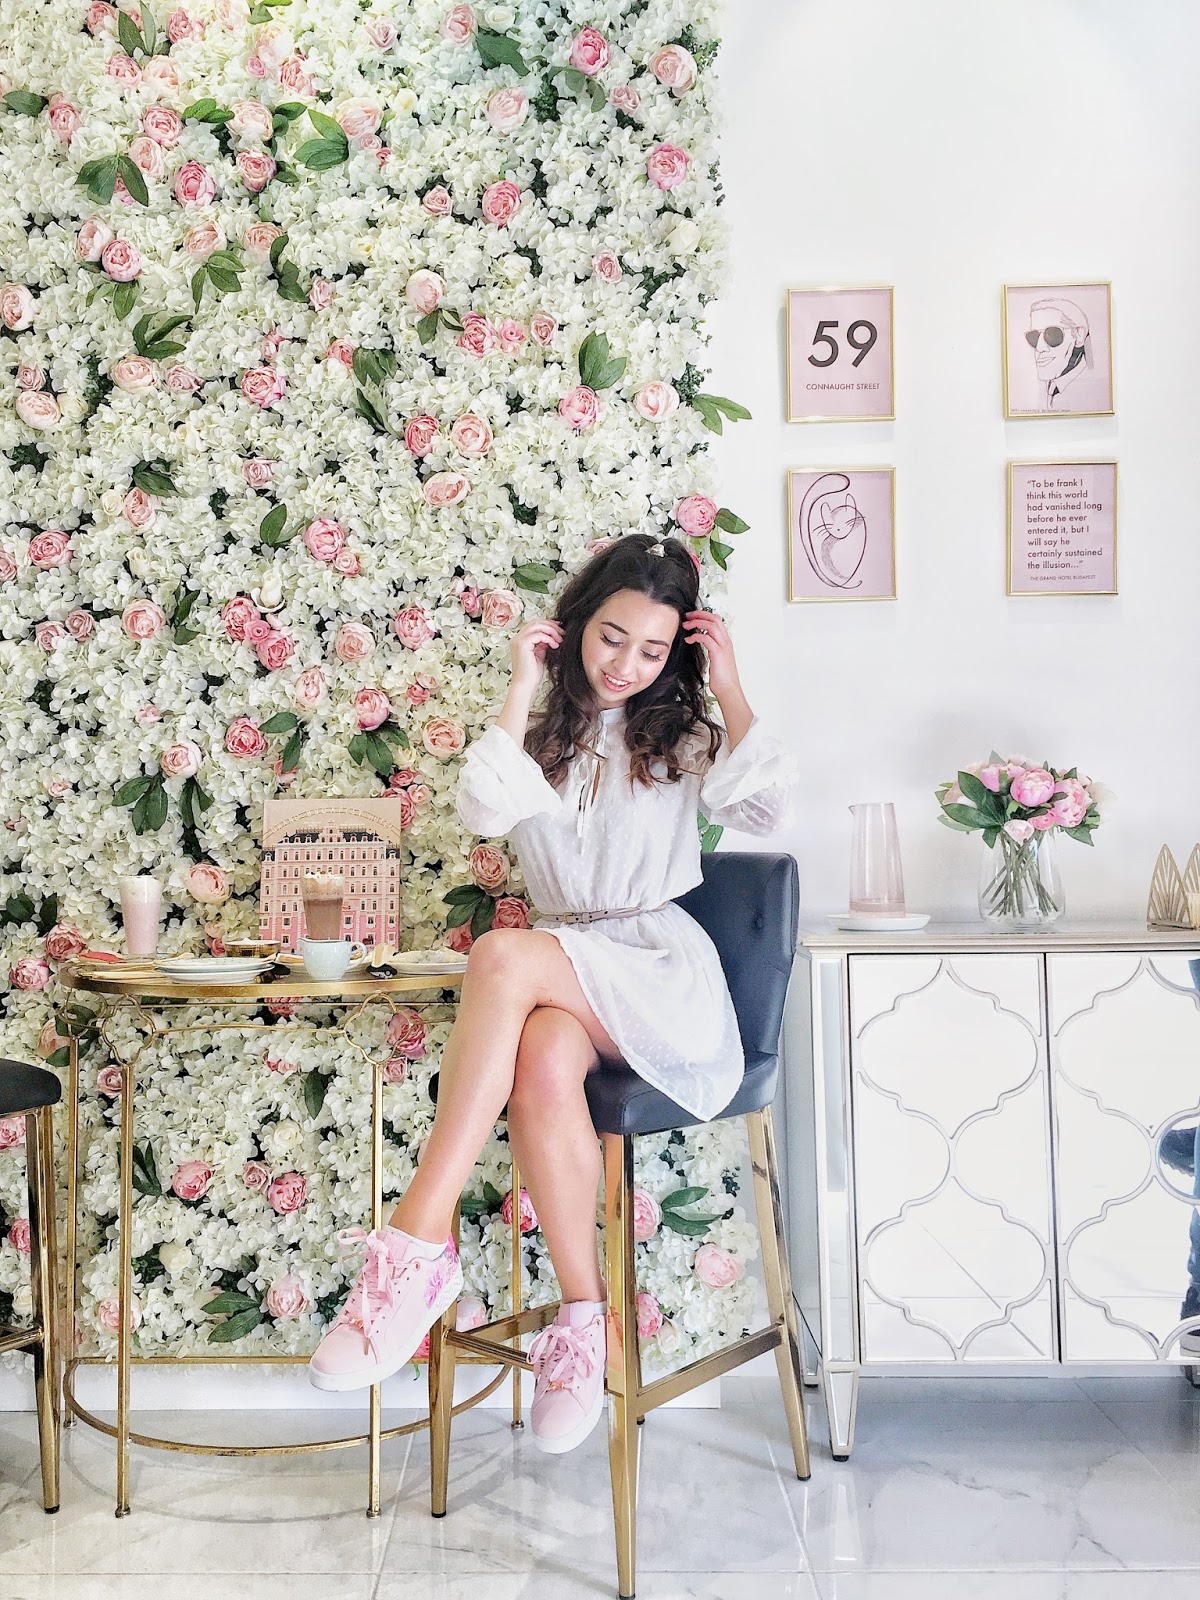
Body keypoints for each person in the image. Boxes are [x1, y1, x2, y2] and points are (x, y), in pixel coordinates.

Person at [307, 533, 796, 1454]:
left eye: (652, 650)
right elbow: (484, 809)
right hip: (570, 964)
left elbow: (768, 811)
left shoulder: (683, 736)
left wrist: (727, 682)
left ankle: (415, 1247)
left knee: (501, 956)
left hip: (655, 969)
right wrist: (521, 683)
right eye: (611, 637)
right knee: (539, 1058)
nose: (626, 665)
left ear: (675, 655)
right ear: (575, 626)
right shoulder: (537, 736)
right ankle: (583, 1322)